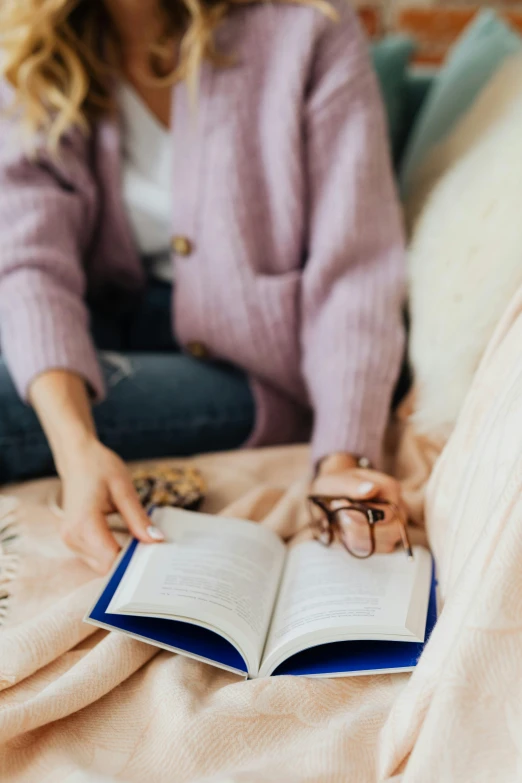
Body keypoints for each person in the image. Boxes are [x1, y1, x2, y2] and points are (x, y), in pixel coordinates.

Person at [0, 0, 407, 574]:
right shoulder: (36, 46)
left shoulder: (308, 26)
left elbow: (355, 269)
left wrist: (340, 459)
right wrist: (77, 448)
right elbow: (27, 262)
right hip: (101, 327)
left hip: (253, 364)